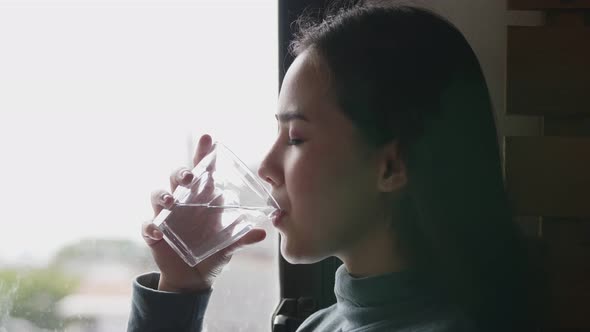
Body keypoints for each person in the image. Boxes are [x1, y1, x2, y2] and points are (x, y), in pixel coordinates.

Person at [127, 2, 535, 331]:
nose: (266, 167)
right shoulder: (321, 324)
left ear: (391, 165)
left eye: (296, 138)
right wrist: (181, 283)